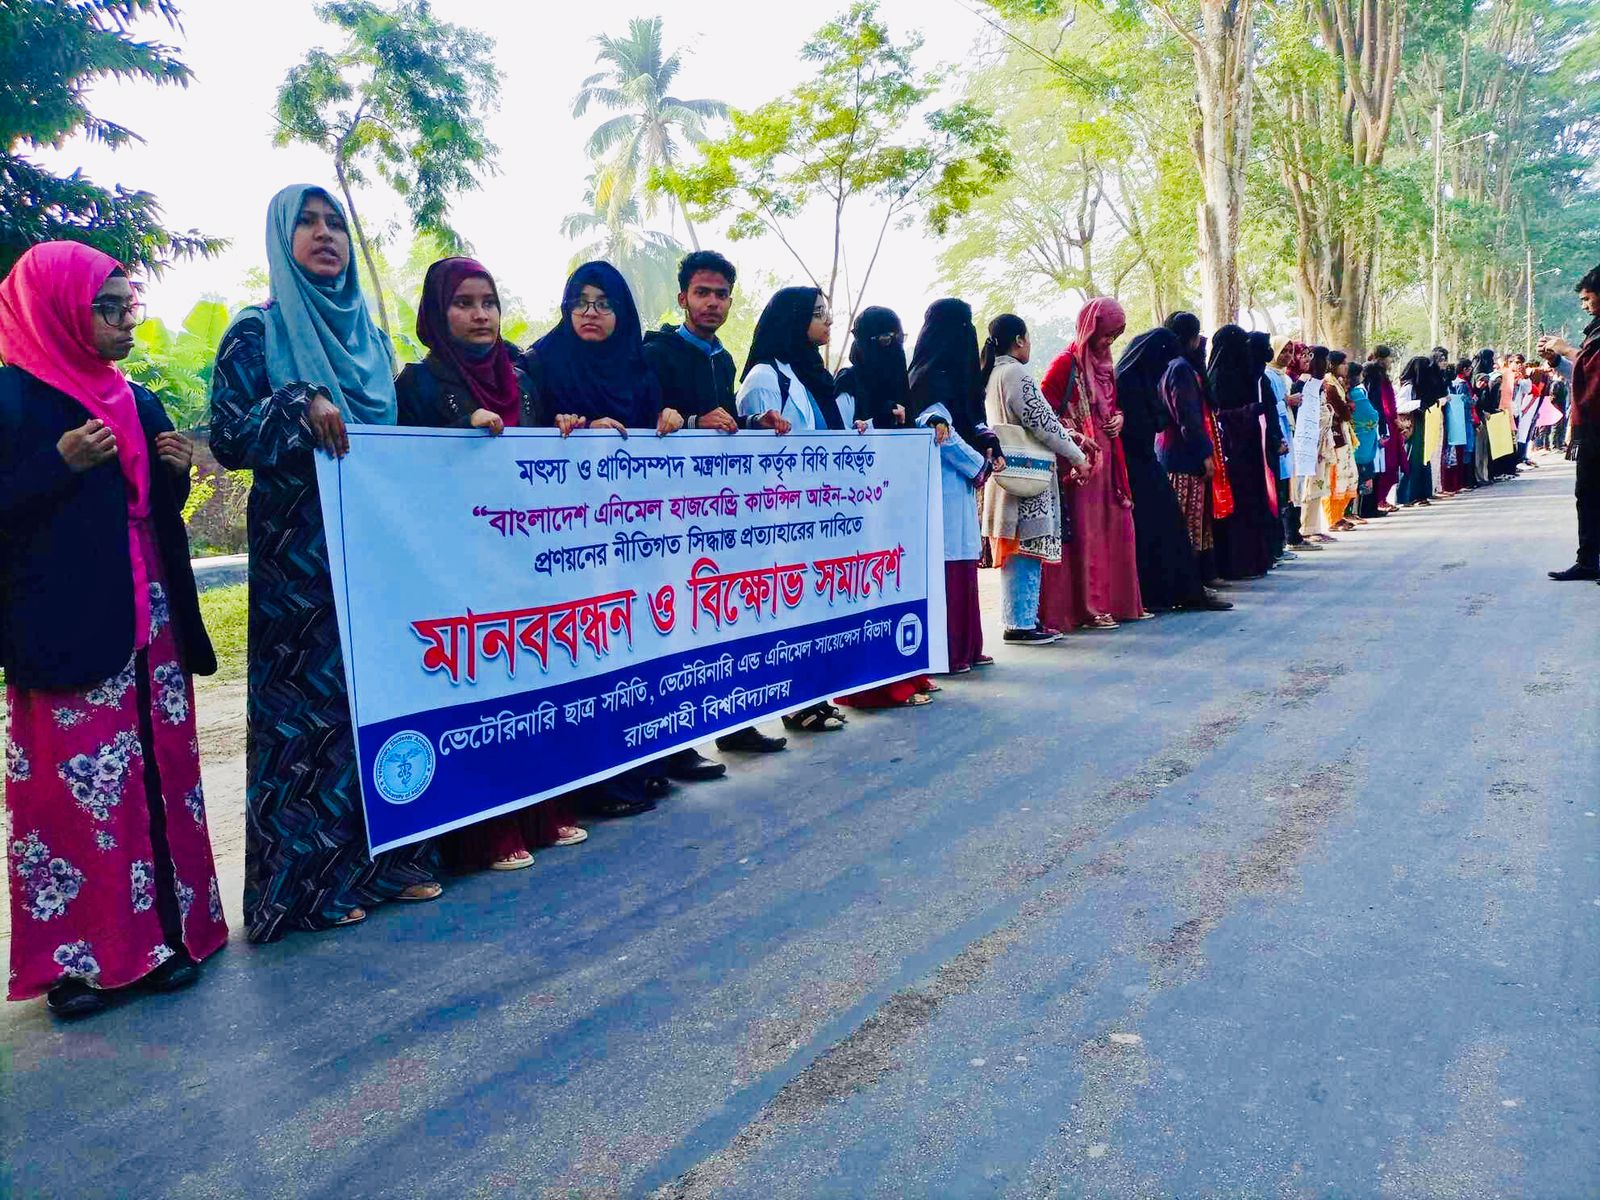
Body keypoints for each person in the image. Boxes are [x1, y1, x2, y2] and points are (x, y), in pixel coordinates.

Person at [1, 242, 227, 1017]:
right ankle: (75, 966)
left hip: (149, 616)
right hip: (63, 626)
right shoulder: (14, 402)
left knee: (157, 777)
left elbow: (157, 516)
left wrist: (171, 475)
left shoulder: (138, 400)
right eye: (110, 307)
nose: (128, 321)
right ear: (60, 307)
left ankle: (168, 937)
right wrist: (53, 465)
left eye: (131, 306)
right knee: (75, 792)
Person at [210, 185, 442, 941]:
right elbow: (231, 436)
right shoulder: (258, 333)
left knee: (379, 705)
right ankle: (307, 889)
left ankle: (390, 864)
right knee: (306, 723)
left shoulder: (374, 343)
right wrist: (298, 401)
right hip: (299, 563)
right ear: (282, 238)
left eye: (334, 221)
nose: (323, 234)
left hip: (378, 555)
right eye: (306, 223)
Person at [394, 256, 588, 869]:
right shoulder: (417, 385)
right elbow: (404, 478)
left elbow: (543, 452)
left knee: (533, 678)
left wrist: (564, 428)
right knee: (477, 690)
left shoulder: (524, 380)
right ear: (436, 312)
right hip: (456, 569)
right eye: (463, 303)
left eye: (488, 302)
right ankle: (487, 831)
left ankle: (540, 810)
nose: (479, 315)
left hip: (525, 557)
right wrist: (458, 431)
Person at [522, 261, 692, 806]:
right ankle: (593, 780)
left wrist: (670, 416)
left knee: (637, 645)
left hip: (636, 539)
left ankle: (641, 761)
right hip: (570, 544)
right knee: (588, 654)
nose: (590, 314)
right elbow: (525, 439)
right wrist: (566, 428)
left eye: (604, 303)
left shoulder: (639, 368)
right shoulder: (543, 363)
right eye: (580, 302)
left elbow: (656, 424)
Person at [642, 251, 787, 759]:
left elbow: (718, 421)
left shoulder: (723, 358)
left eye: (721, 294)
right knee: (672, 626)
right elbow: (649, 422)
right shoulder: (656, 352)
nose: (712, 302)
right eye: (702, 292)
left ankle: (735, 722)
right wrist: (689, 420)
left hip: (718, 517)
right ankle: (672, 746)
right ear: (682, 297)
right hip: (665, 517)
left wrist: (753, 425)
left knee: (725, 619)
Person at [736, 286, 857, 732]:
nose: (827, 321)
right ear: (793, 319)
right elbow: (754, 459)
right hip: (780, 521)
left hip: (820, 518)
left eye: (828, 312)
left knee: (815, 610)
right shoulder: (766, 377)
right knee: (785, 615)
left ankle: (815, 695)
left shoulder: (811, 374)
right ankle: (792, 700)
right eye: (818, 313)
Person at [834, 306, 937, 707]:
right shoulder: (848, 380)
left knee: (899, 585)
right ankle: (873, 685)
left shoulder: (899, 382)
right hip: (860, 506)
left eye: (898, 338)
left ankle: (906, 672)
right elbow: (842, 439)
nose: (892, 347)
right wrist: (878, 420)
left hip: (896, 502)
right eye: (883, 339)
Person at [979, 314, 1086, 644]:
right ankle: (1022, 623)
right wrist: (1076, 455)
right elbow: (1043, 423)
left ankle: (1019, 619)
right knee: (1026, 547)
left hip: (1004, 470)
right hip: (1027, 471)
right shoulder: (1016, 374)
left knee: (1014, 547)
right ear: (1020, 340)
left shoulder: (992, 374)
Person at [1039, 297, 1146, 630]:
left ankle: (1117, 602)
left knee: (1114, 526)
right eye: (1104, 335)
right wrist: (1076, 434)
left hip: (1110, 461)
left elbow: (1112, 406)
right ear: (1089, 330)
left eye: (1114, 337)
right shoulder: (1064, 364)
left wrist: (1119, 419)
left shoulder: (1106, 366)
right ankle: (1089, 607)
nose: (1107, 343)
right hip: (1081, 465)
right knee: (1088, 533)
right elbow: (1044, 414)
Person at [907, 299, 998, 674]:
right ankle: (949, 650)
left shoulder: (949, 379)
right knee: (946, 564)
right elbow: (939, 433)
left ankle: (966, 647)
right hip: (940, 484)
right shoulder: (931, 378)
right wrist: (979, 465)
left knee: (961, 561)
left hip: (955, 486)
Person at [1114, 327, 1231, 611]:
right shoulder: (1129, 380)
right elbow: (1161, 420)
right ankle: (1164, 593)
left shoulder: (1143, 375)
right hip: (1134, 463)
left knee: (1167, 526)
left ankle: (1176, 591)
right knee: (1157, 527)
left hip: (1146, 460)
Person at [1538, 262, 1600, 582]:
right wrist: (1558, 360)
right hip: (1591, 430)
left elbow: (1593, 369)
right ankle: (1589, 559)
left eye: (1589, 298)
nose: (1585, 305)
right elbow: (1585, 376)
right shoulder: (1594, 333)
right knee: (1588, 494)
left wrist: (1566, 349)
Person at [1207, 324, 1276, 578]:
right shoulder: (1218, 376)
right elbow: (1217, 415)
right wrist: (1247, 412)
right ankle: (1235, 564)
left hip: (1247, 448)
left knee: (1250, 503)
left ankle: (1253, 560)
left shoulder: (1245, 373)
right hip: (1231, 450)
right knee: (1236, 506)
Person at [1158, 313, 1222, 578]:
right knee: (1189, 522)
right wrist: (1205, 454)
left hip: (1171, 452)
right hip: (1184, 457)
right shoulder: (1181, 368)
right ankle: (1189, 582)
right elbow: (1188, 418)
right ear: (1193, 338)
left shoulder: (1167, 364)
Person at [1249, 331, 1289, 563]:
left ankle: (1273, 546)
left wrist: (1277, 438)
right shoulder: (1251, 377)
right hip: (1256, 447)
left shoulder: (1260, 377)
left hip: (1269, 442)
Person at [1268, 340, 1309, 547]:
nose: (1286, 355)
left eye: (1290, 352)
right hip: (1278, 434)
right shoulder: (1268, 375)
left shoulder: (1282, 376)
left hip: (1288, 430)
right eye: (1282, 351)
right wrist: (1287, 402)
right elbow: (1268, 408)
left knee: (1289, 486)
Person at [1296, 346, 1335, 542]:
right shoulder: (1304, 382)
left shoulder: (1320, 383)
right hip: (1310, 440)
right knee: (1308, 484)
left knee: (1318, 482)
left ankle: (1315, 525)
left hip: (1322, 441)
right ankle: (1306, 527)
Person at [1322, 351, 1360, 530]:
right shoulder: (1329, 385)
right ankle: (1333, 518)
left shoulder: (1338, 383)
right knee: (1335, 478)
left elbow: (1348, 408)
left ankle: (1340, 515)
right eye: (1343, 363)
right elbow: (1344, 412)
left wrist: (1348, 407)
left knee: (1347, 476)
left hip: (1343, 435)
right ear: (1333, 365)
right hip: (1335, 437)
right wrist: (1348, 407)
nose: (1346, 367)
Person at [1395, 355, 1437, 506]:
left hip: (1422, 424)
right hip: (1412, 426)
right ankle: (1406, 496)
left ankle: (1421, 494)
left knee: (1421, 461)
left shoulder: (1422, 387)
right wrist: (1419, 403)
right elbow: (1399, 406)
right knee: (1410, 460)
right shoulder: (1409, 387)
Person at [1367, 346, 1403, 512]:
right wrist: (1393, 420)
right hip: (1385, 423)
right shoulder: (1376, 376)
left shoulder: (1383, 376)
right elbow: (1382, 402)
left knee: (1392, 462)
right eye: (1388, 358)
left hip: (1389, 422)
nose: (1390, 361)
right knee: (1385, 463)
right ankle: (1379, 499)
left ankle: (1382, 499)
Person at [1353, 361, 1383, 517]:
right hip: (1362, 441)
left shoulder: (1362, 391)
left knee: (1367, 474)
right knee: (1364, 475)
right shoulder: (1358, 392)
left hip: (1366, 439)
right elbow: (1372, 415)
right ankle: (1363, 510)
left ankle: (1367, 508)